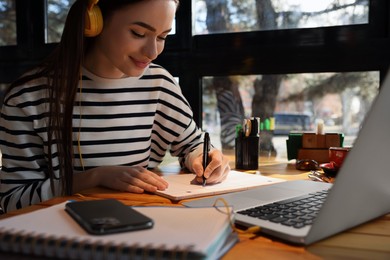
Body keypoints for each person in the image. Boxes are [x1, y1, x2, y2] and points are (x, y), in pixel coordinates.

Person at [0, 0, 230, 213]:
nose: (152, 52)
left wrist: (205, 157)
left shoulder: (159, 84)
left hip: (146, 223)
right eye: (138, 33)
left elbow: (192, 144)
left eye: (162, 37)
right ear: (94, 22)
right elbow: (12, 200)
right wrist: (93, 178)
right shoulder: (28, 98)